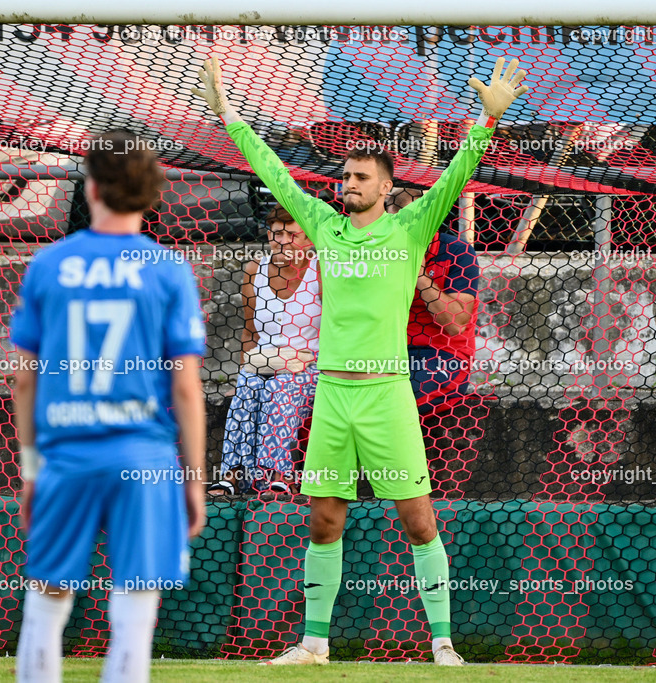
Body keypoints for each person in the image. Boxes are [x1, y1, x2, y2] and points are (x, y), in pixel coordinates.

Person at [193, 55, 527, 666]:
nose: (346, 184)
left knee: (419, 521)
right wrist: (228, 115)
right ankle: (314, 644)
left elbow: (458, 172)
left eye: (359, 178)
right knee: (323, 520)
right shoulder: (323, 225)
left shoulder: (412, 227)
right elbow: (271, 167)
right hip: (332, 395)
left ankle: (443, 645)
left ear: (386, 188)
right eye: (344, 176)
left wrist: (487, 120)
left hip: (387, 394)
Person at [11, 130, 206, 683]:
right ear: (152, 195)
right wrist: (193, 478)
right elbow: (186, 388)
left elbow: (24, 380)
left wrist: (30, 469)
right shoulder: (169, 270)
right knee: (136, 609)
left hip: (65, 455)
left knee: (47, 603)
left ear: (90, 187)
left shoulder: (48, 265)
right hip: (144, 458)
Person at [210, 204, 321, 496]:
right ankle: (231, 477)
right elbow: (249, 333)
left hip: (310, 365)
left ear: (309, 238)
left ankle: (277, 476)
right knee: (247, 387)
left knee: (281, 388)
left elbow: (338, 328)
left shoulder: (320, 269)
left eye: (292, 234)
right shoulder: (254, 270)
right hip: (266, 361)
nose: (282, 241)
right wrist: (249, 365)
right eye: (276, 233)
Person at [385, 188, 480, 416]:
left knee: (394, 403)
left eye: (410, 217)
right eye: (393, 217)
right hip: (387, 351)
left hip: (441, 354)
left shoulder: (458, 252)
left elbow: (455, 323)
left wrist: (418, 275)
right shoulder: (378, 251)